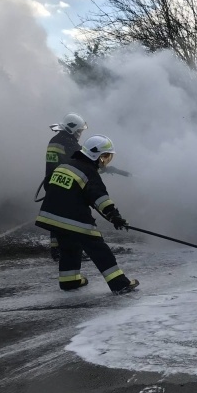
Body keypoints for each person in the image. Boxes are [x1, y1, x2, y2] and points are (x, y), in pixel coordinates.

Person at [35, 134, 139, 295]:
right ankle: (120, 284)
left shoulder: (65, 165)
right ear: (98, 156)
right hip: (73, 218)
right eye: (106, 157)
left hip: (50, 216)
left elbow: (49, 184)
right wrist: (114, 216)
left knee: (69, 247)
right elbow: (100, 198)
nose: (106, 161)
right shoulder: (89, 172)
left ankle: (69, 280)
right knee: (99, 248)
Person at [43, 113, 88, 261]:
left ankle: (56, 250)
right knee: (72, 217)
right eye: (79, 131)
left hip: (52, 182)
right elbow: (82, 161)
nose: (80, 134)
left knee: (56, 217)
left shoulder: (55, 140)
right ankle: (71, 250)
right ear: (71, 129)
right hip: (65, 184)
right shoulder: (69, 143)